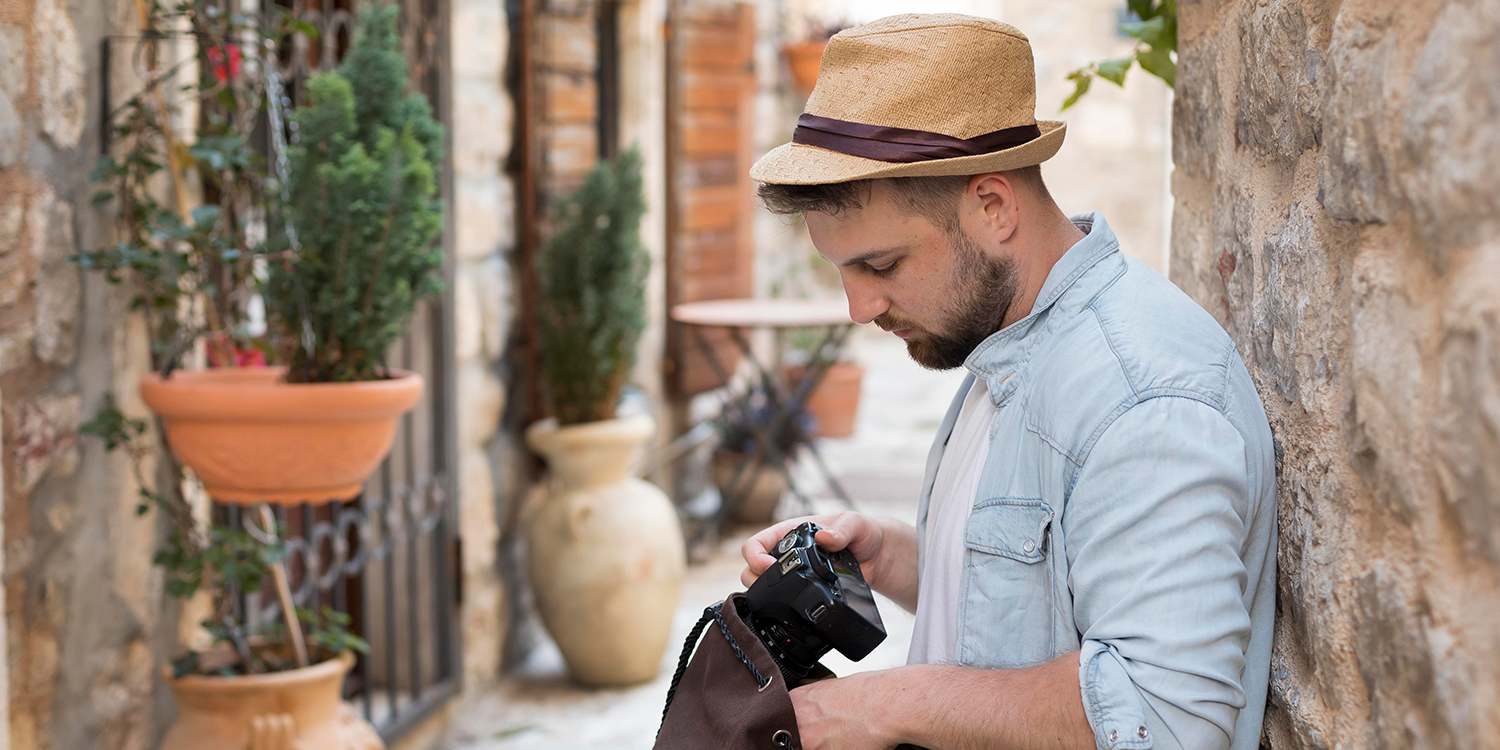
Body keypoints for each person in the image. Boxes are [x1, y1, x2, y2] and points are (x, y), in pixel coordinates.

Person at [739, 14, 1277, 750]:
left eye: (882, 265)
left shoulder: (1146, 400)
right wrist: (897, 557)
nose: (859, 307)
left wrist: (889, 704)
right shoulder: (1009, 343)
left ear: (993, 207)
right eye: (842, 270)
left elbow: (1166, 715)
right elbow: (1050, 599)